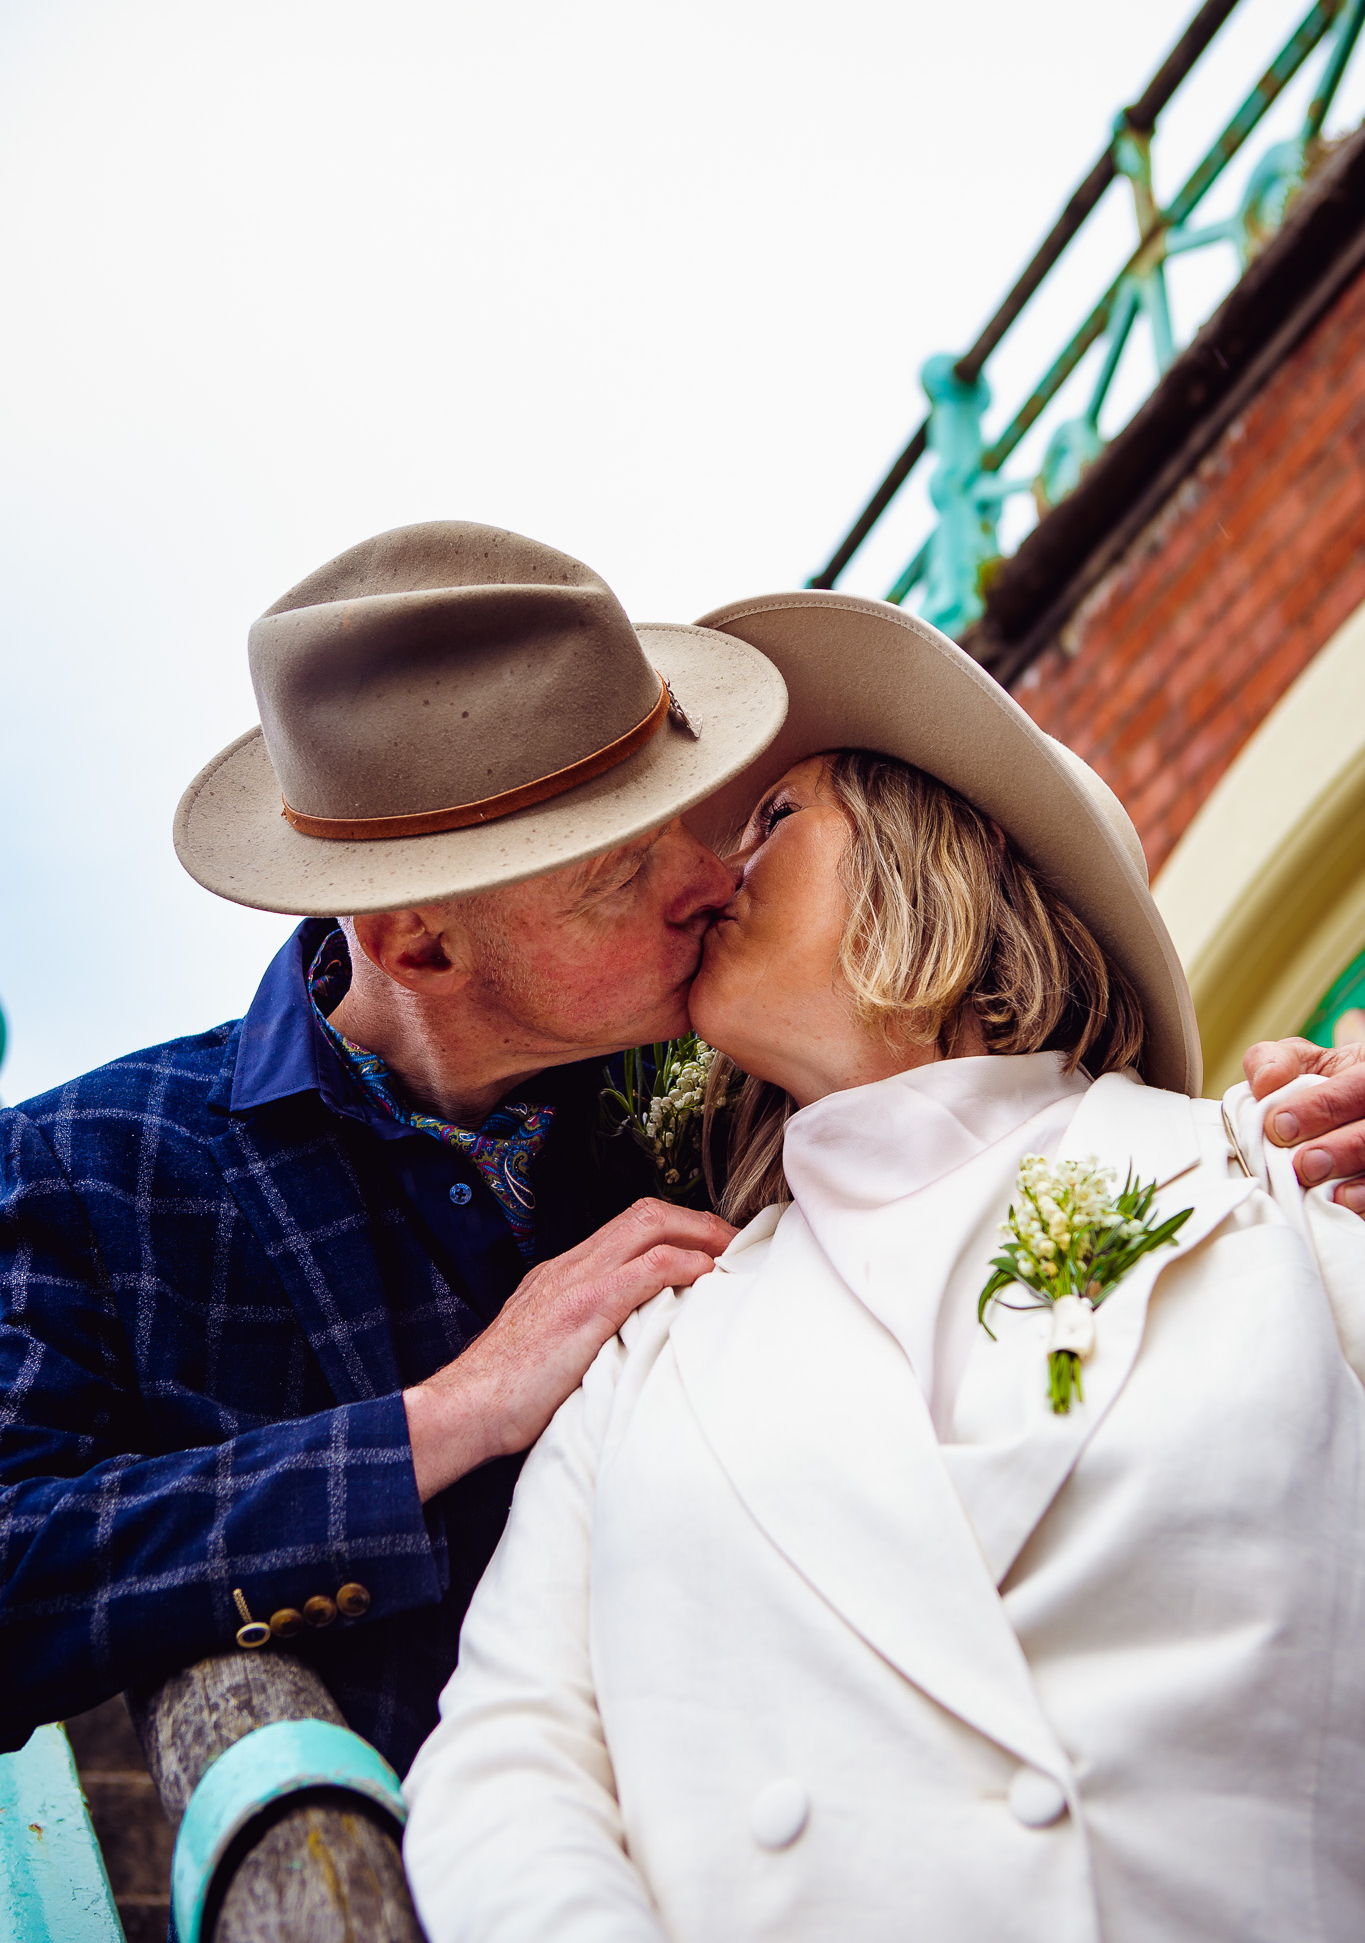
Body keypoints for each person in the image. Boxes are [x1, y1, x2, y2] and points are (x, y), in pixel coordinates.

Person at [0, 531, 1357, 1779]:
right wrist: (450, 1415)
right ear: (419, 946)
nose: (707, 881)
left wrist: (1283, 1141)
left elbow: (983, 1158)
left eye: (701, 818)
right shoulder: (88, 1166)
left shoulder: (739, 1095)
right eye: (619, 873)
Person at [401, 591, 1365, 1943]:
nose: (708, 874)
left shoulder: (1276, 1182)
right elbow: (510, 1765)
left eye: (772, 819)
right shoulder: (651, 1350)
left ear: (943, 850)